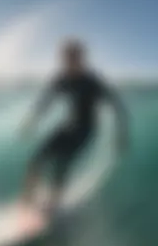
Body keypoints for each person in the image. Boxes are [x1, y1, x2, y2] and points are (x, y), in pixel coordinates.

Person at [20, 39, 129, 212]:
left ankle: (52, 208)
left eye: (74, 58)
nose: (69, 63)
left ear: (81, 59)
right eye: (66, 59)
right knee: (36, 160)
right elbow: (45, 100)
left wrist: (122, 135)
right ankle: (26, 200)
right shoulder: (61, 79)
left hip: (86, 130)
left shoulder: (92, 82)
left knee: (61, 165)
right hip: (68, 126)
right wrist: (32, 120)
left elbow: (118, 106)